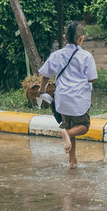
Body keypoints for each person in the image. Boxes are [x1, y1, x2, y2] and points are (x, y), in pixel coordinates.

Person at [38, 22, 98, 169]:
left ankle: (72, 161)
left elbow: (45, 75)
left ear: (65, 38)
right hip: (78, 99)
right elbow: (92, 78)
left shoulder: (56, 55)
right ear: (81, 39)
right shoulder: (86, 56)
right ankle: (67, 133)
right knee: (83, 126)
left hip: (62, 99)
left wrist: (41, 90)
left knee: (70, 126)